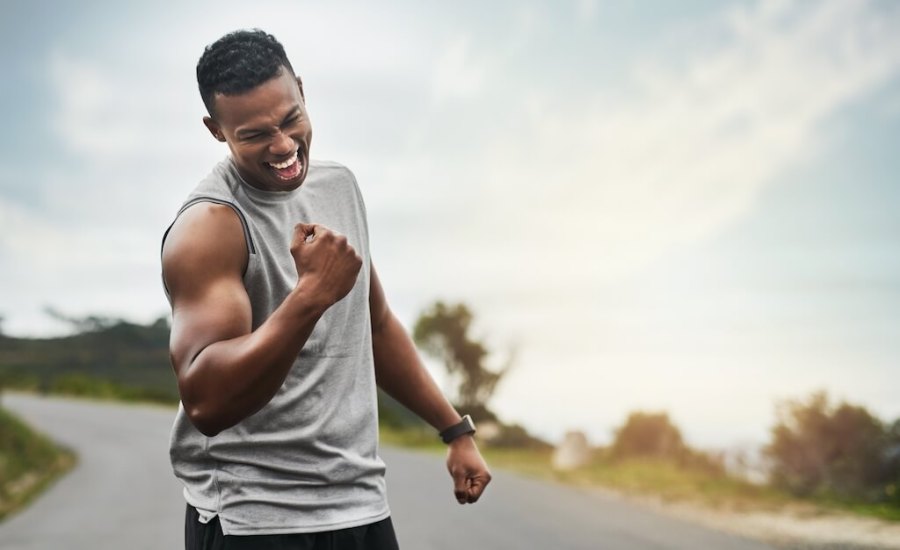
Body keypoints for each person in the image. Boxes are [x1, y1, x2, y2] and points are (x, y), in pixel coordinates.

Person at [160, 29, 491, 550]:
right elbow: (207, 402)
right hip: (255, 520)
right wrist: (310, 297)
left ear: (303, 92)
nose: (285, 146)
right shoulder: (209, 228)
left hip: (359, 504)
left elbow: (375, 324)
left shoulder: (339, 188)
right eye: (254, 134)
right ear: (216, 130)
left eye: (291, 119)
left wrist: (455, 431)